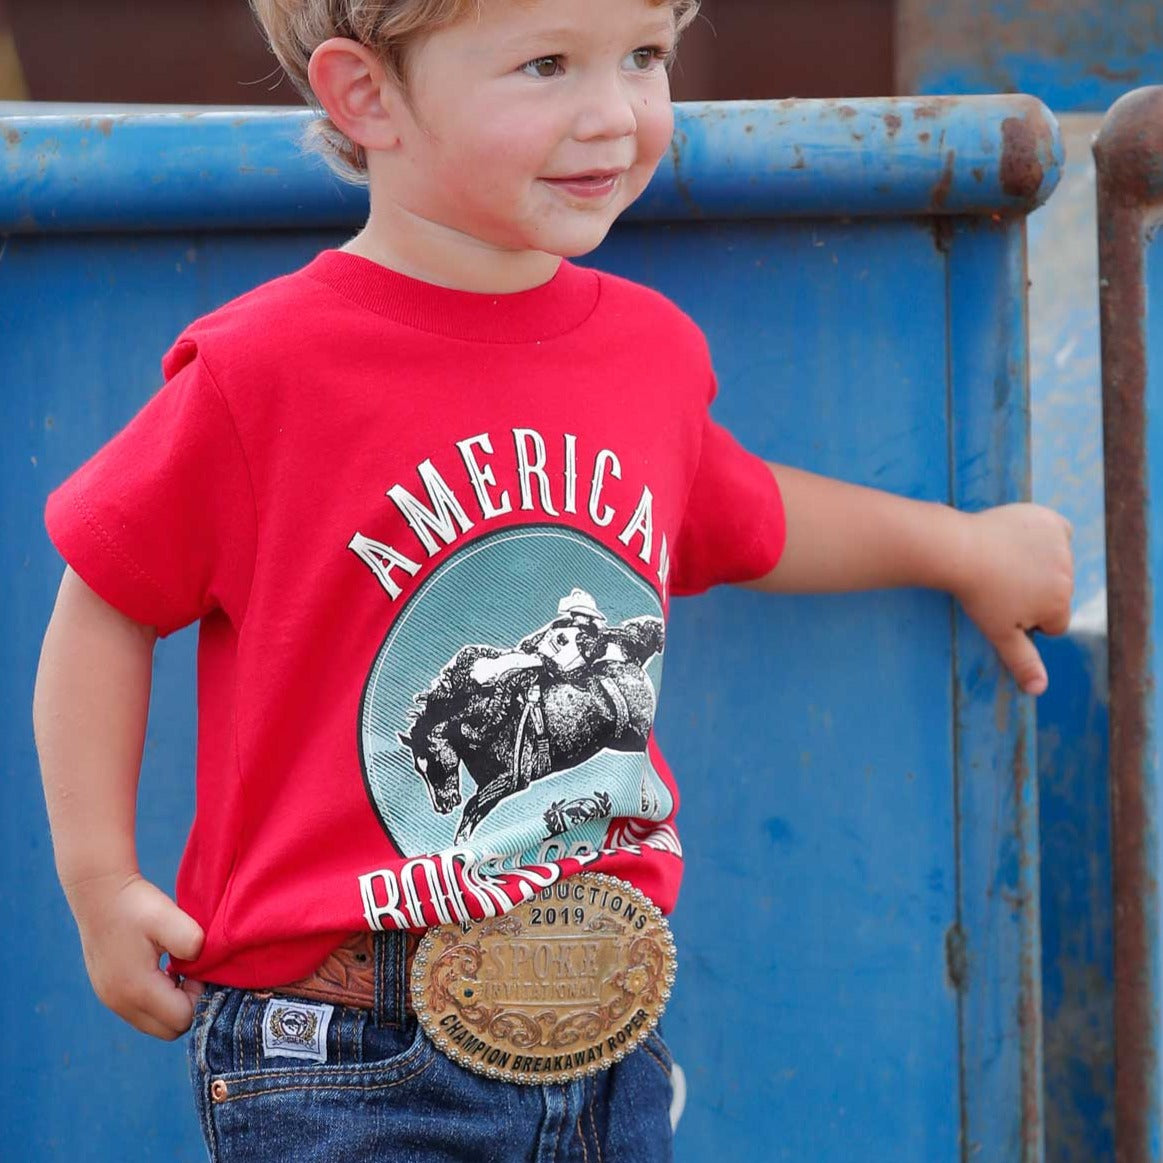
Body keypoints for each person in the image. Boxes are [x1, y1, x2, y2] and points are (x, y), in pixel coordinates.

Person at [31, 0, 1074, 1158]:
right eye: (546, 65)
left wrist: (964, 547)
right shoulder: (261, 370)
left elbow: (750, 516)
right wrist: (99, 875)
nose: (614, 115)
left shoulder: (648, 352)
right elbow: (107, 594)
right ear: (364, 95)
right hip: (342, 1044)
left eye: (643, 57)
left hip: (604, 1032)